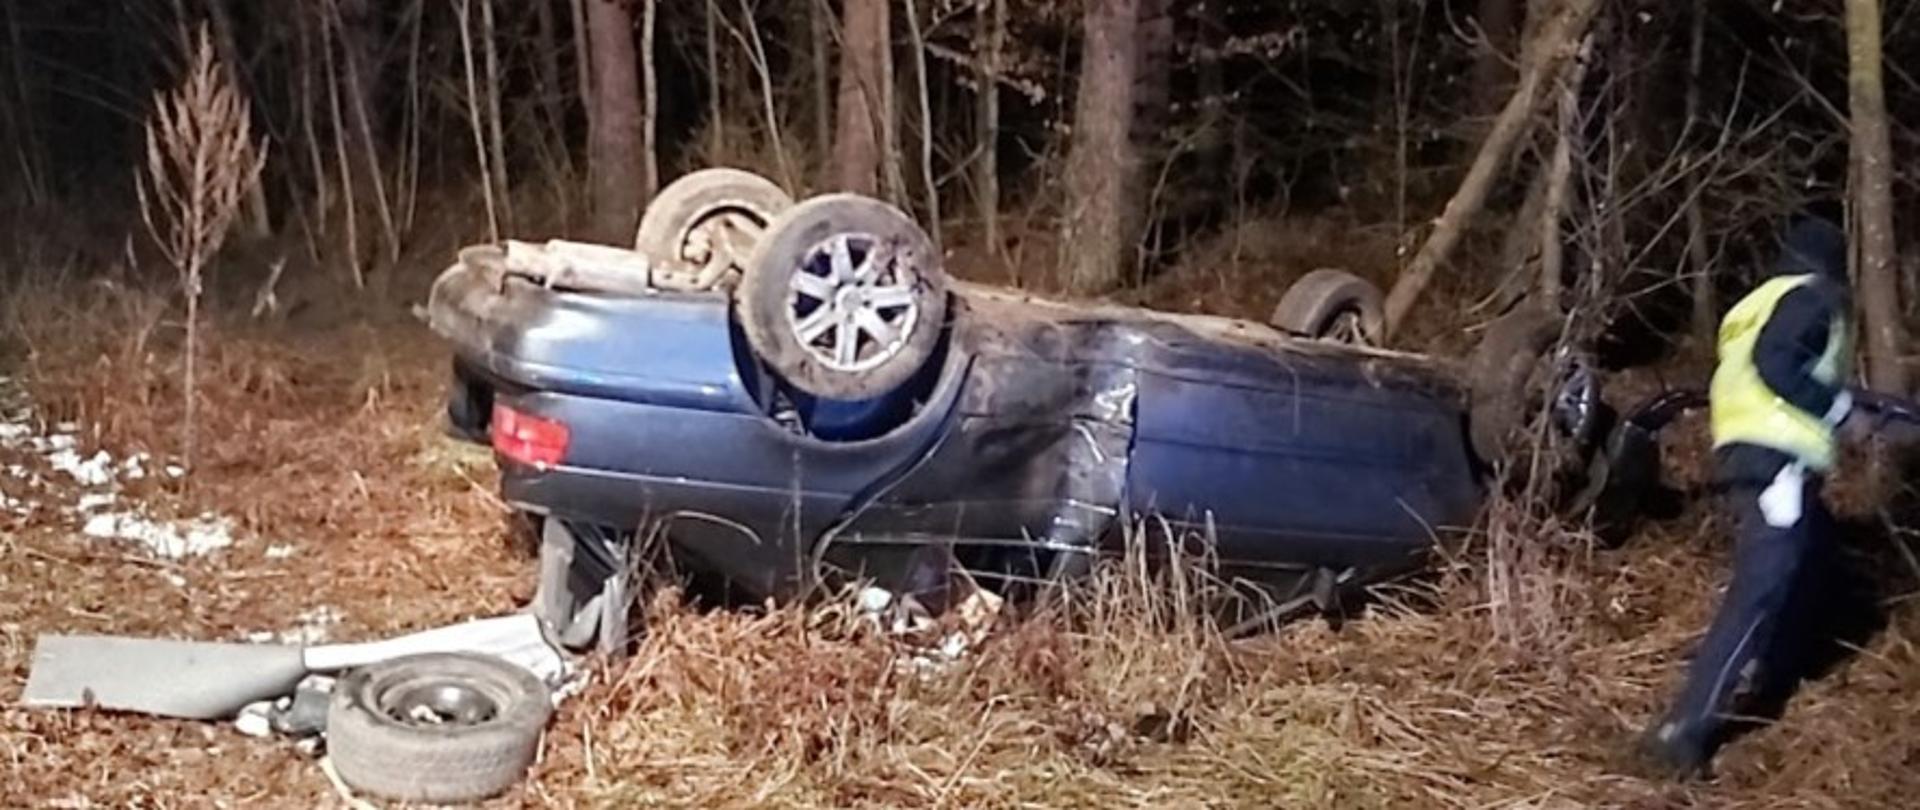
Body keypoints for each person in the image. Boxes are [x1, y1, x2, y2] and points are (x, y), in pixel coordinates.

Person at [1636, 215, 1855, 777]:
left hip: (1742, 453)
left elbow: (1747, 369)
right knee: (1760, 589)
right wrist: (1834, 406)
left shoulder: (1754, 303)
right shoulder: (1813, 297)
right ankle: (1683, 728)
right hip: (1778, 462)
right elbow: (1777, 363)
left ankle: (1779, 670)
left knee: (1816, 561)